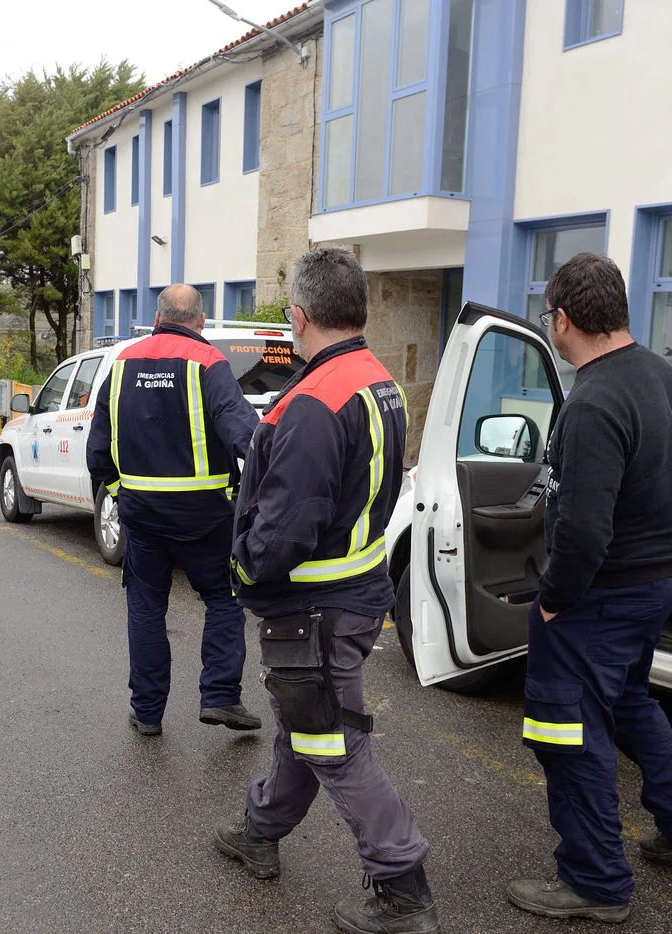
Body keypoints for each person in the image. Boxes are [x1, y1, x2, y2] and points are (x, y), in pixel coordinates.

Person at [213, 248, 437, 934]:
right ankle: (260, 826)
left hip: (311, 607)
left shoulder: (312, 400)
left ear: (299, 316)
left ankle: (404, 890)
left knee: (331, 738)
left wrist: (244, 570)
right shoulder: (376, 379)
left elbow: (287, 526)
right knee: (305, 727)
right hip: (353, 592)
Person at [508, 252, 672, 924]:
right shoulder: (664, 377)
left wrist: (553, 598)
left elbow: (582, 531)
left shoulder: (594, 400)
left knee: (564, 730)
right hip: (659, 580)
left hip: (599, 596)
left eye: (549, 317)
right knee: (630, 702)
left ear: (564, 319)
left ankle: (596, 882)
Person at [86, 284, 262, 737]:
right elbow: (244, 433)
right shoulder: (209, 363)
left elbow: (98, 450)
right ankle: (221, 696)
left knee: (146, 609)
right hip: (205, 515)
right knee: (223, 600)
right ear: (200, 321)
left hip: (142, 515)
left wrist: (123, 491)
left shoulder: (121, 364)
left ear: (158, 317)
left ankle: (147, 713)